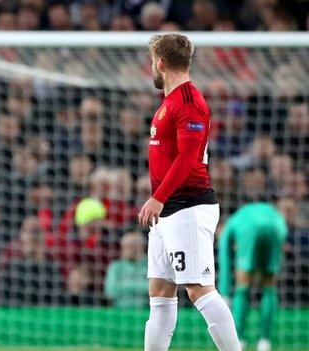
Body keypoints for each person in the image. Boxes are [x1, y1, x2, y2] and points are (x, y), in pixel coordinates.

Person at [138, 34, 241, 351]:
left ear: (160, 62)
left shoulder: (189, 102)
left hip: (189, 207)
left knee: (198, 288)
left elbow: (188, 157)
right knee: (160, 291)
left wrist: (158, 197)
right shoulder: (169, 102)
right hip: (168, 210)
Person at [218, 202, 288, 351]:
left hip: (249, 228)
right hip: (277, 225)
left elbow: (225, 260)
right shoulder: (243, 214)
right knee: (269, 286)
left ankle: (240, 340)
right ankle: (264, 342)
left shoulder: (229, 227)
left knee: (243, 286)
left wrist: (225, 294)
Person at [104, 231, 149, 308]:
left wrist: (124, 285)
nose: (125, 249)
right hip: (119, 310)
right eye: (124, 246)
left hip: (146, 309)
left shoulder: (150, 265)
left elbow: (153, 289)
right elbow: (110, 291)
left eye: (130, 246)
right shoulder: (115, 266)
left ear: (140, 246)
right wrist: (140, 286)